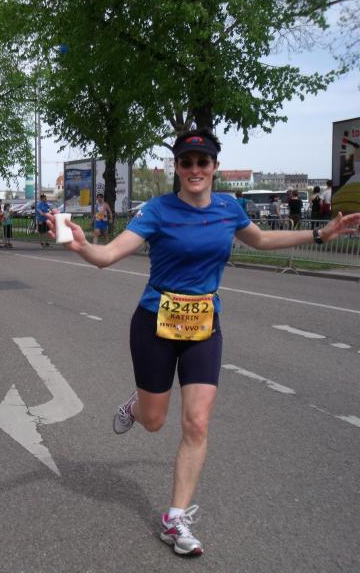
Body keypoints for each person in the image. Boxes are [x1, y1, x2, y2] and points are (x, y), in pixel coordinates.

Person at [46, 129, 360, 557]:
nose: (195, 169)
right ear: (177, 168)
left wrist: (320, 235)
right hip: (155, 323)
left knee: (196, 422)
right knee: (155, 421)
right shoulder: (158, 210)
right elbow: (108, 255)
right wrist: (83, 246)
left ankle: (175, 519)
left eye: (203, 162)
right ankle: (138, 407)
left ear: (214, 167)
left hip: (203, 326)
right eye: (187, 162)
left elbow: (262, 240)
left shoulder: (229, 208)